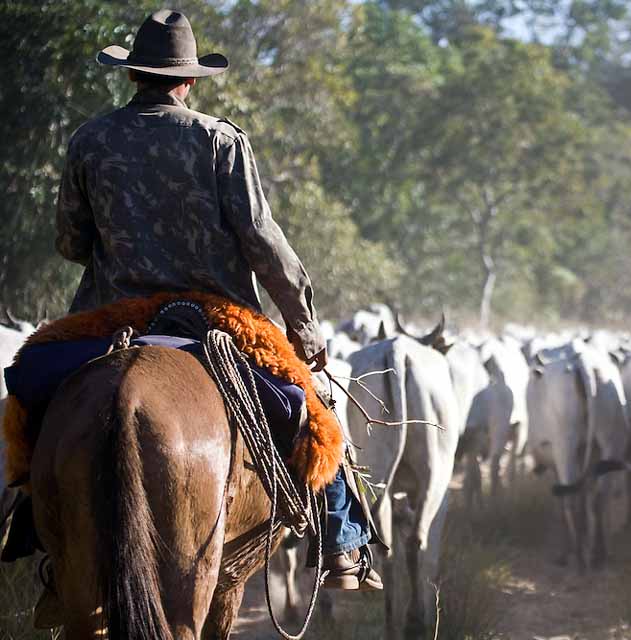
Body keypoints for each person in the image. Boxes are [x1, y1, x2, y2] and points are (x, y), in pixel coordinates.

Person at [8, 7, 381, 610]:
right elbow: (262, 240)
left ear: (133, 76)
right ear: (188, 81)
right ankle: (343, 541)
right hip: (215, 318)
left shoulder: (90, 140)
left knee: (32, 396)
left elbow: (71, 243)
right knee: (316, 413)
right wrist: (302, 324)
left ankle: (40, 539)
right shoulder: (219, 140)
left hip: (114, 317)